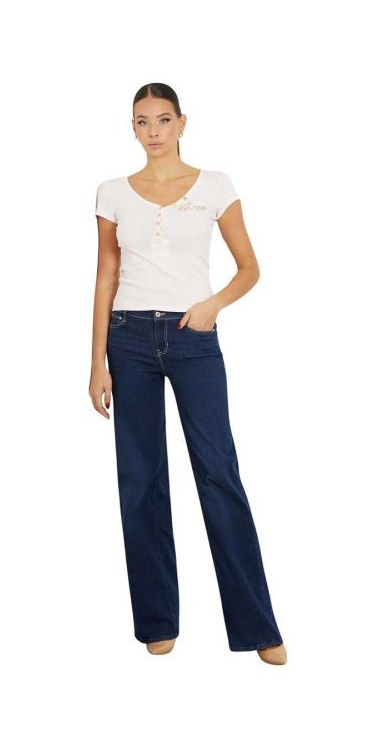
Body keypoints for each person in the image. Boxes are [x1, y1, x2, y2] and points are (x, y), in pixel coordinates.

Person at [89, 82, 287, 665]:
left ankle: (258, 627)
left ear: (181, 123)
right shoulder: (111, 193)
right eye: (141, 121)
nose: (152, 131)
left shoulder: (215, 186)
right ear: (132, 127)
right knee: (141, 479)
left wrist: (212, 306)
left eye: (162, 120)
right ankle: (157, 620)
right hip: (127, 339)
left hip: (193, 336)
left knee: (218, 472)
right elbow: (105, 275)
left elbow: (249, 268)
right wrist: (96, 360)